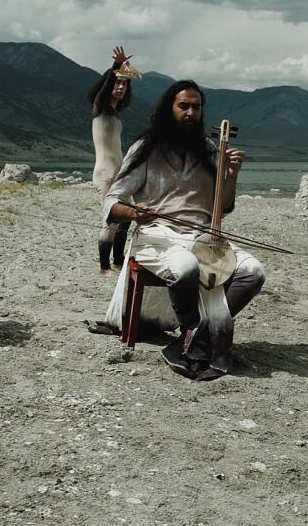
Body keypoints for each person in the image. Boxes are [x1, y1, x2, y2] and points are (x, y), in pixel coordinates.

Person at [104, 80, 265, 381]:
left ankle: (190, 339)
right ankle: (197, 333)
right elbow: (113, 201)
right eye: (184, 106)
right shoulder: (146, 147)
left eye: (197, 107)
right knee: (186, 266)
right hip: (157, 234)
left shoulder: (209, 149)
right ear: (170, 109)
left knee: (254, 272)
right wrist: (135, 213)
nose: (191, 112)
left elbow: (223, 206)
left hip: (203, 237)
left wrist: (232, 174)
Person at [88, 45, 137, 274]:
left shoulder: (116, 116)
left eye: (123, 84)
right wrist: (116, 67)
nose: (119, 87)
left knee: (126, 217)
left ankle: (118, 262)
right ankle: (105, 267)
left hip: (119, 172)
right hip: (106, 173)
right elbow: (103, 89)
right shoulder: (100, 109)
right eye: (116, 83)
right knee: (111, 219)